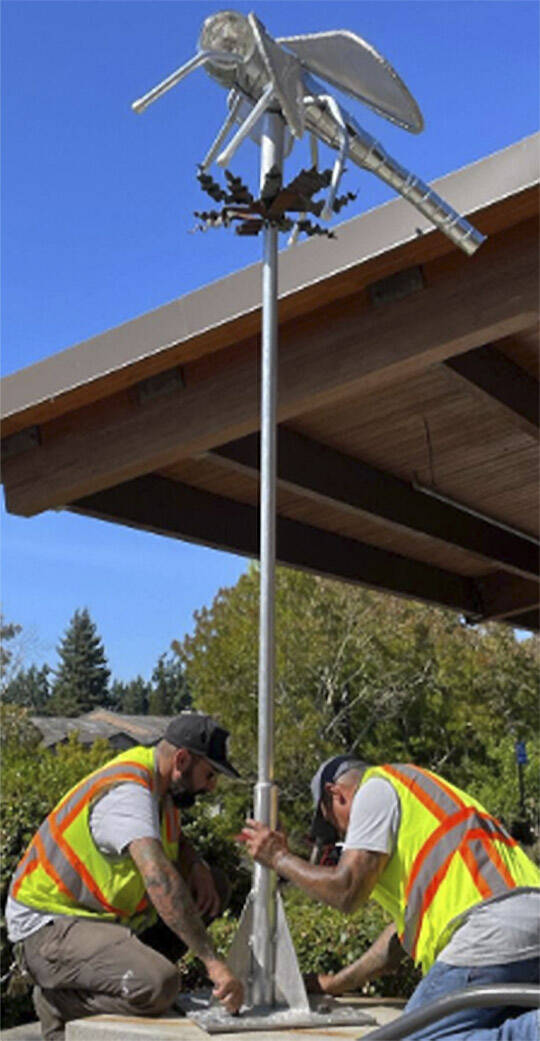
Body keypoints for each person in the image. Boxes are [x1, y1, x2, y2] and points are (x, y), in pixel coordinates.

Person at [239, 754, 540, 1041]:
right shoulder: (424, 805)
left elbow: (346, 891)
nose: (344, 835)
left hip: (491, 930)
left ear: (337, 794)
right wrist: (336, 983)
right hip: (522, 930)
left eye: (334, 823)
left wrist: (278, 857)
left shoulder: (374, 789)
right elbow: (393, 945)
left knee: (411, 1036)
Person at [7, 712, 244, 1040]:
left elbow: (171, 837)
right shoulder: (127, 794)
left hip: (95, 926)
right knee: (160, 985)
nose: (212, 786)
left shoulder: (162, 787)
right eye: (209, 774)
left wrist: (197, 864)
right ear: (182, 759)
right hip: (49, 928)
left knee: (213, 886)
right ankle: (57, 1000)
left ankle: (130, 976)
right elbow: (159, 879)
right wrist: (212, 961)